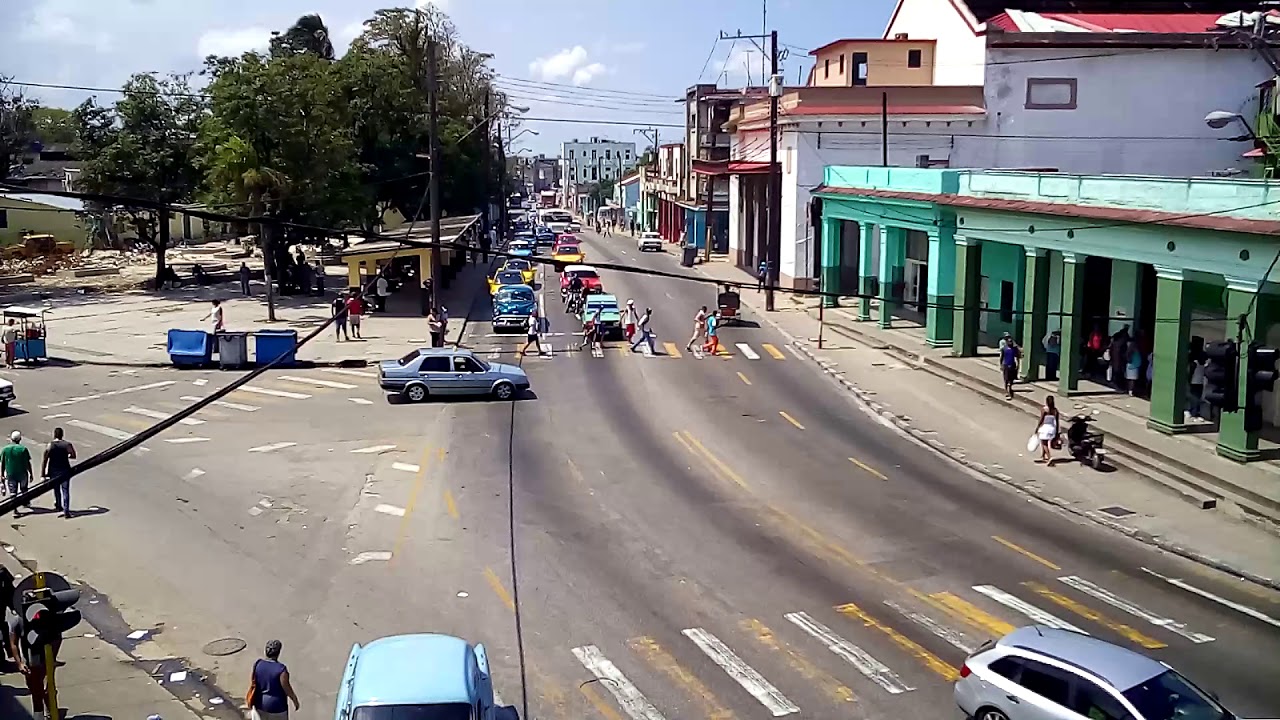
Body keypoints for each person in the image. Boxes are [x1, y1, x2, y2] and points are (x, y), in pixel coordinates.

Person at [7, 589, 51, 717]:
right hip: (29, 660)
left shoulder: (46, 616)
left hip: (44, 658)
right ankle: (42, 710)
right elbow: (13, 644)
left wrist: (51, 659)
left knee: (45, 689)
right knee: (34, 688)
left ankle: (48, 711)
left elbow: (56, 638)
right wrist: (19, 663)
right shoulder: (17, 621)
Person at [247, 639, 300, 720]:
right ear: (278, 653)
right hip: (277, 707)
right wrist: (294, 700)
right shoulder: (281, 669)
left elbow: (254, 683)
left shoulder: (258, 664)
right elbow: (287, 688)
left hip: (259, 704)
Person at [43, 427, 76, 518]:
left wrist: (43, 474)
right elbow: (73, 455)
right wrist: (67, 456)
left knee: (56, 490)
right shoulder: (67, 444)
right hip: (65, 470)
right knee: (65, 491)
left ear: (54, 434)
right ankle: (66, 511)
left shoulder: (50, 445)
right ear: (62, 435)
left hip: (53, 471)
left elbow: (45, 459)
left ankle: (58, 505)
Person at [2, 431, 33, 515]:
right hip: (22, 473)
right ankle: (25, 502)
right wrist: (31, 473)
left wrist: (1, 475)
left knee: (13, 492)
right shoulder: (23, 449)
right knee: (24, 489)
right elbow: (27, 463)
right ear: (20, 439)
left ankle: (14, 509)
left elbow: (2, 463)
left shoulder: (5, 449)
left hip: (10, 473)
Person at [1034, 395, 1061, 465]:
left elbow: (1041, 419)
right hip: (1052, 428)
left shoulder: (1045, 409)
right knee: (1045, 441)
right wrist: (1057, 431)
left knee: (1044, 443)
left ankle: (1049, 457)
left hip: (1045, 427)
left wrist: (1037, 427)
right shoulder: (1055, 410)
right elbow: (1057, 422)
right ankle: (1043, 456)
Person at [999, 332, 1021, 400]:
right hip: (1006, 365)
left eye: (1011, 341)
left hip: (1012, 365)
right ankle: (1007, 392)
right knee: (1006, 380)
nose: (1010, 343)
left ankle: (1009, 389)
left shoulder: (1015, 349)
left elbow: (1017, 357)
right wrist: (1001, 365)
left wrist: (1017, 365)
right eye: (1009, 342)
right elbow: (1001, 357)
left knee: (1011, 380)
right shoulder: (1004, 349)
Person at [1189, 354, 1207, 419]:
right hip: (1196, 383)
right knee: (1195, 398)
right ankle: (1194, 412)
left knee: (1196, 399)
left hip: (1197, 383)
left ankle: (1194, 412)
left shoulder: (1201, 364)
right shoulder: (1196, 363)